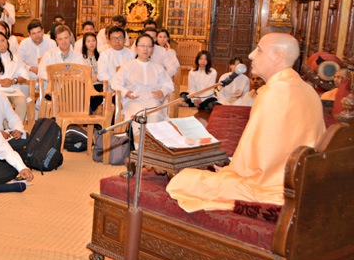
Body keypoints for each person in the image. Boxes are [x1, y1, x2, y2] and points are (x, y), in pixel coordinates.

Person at [166, 33, 326, 212]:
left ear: (278, 57)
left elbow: (258, 152)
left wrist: (232, 170)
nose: (251, 55)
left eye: (259, 50)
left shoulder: (273, 92)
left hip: (271, 187)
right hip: (301, 180)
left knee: (184, 179)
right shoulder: (308, 90)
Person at [110, 34, 174, 129]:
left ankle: (150, 143)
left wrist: (162, 91)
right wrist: (126, 92)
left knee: (155, 118)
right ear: (136, 48)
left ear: (152, 49)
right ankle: (138, 143)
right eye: (142, 46)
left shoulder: (158, 67)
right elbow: (115, 83)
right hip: (134, 101)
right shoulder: (128, 66)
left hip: (153, 101)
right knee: (138, 119)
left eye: (149, 46)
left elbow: (169, 84)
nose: (145, 49)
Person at [79, 31, 105, 113]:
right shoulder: (80, 56)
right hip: (86, 84)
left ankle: (89, 112)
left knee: (100, 94)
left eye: (93, 40)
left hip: (99, 83)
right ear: (84, 43)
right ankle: (89, 113)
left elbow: (104, 70)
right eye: (88, 41)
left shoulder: (101, 55)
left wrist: (98, 77)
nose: (91, 43)